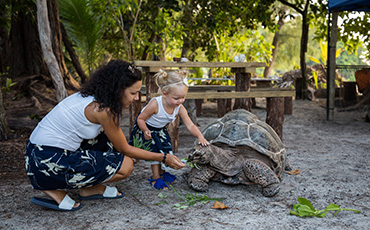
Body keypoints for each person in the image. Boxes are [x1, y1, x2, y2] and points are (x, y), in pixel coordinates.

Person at [24, 60, 185, 211]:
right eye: (133, 93)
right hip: (45, 160)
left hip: (35, 152)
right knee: (126, 167)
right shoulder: (103, 110)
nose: (136, 98)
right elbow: (125, 148)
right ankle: (49, 185)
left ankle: (88, 189)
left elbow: (118, 142)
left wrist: (125, 153)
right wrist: (164, 157)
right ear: (118, 89)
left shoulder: (93, 97)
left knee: (112, 145)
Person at [129, 69, 209, 190]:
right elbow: (140, 118)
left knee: (164, 150)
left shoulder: (179, 107)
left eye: (183, 97)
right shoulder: (156, 104)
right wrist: (145, 130)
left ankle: (162, 173)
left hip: (160, 130)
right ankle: (155, 177)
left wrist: (200, 136)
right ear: (165, 93)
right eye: (177, 98)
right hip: (146, 129)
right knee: (155, 153)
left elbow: (190, 125)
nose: (180, 101)